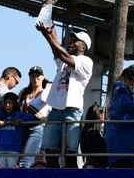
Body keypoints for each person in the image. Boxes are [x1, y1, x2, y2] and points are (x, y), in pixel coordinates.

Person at [36, 22, 93, 168]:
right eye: (71, 40)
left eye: (75, 41)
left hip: (72, 111)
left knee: (70, 154)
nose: (71, 42)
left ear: (83, 47)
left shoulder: (85, 61)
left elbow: (61, 53)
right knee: (50, 152)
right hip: (56, 109)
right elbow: (58, 49)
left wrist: (47, 35)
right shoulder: (64, 59)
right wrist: (50, 23)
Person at [0, 92, 35, 168]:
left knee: (11, 171)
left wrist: (21, 120)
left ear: (15, 104)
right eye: (6, 103)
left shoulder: (19, 114)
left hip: (13, 150)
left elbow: (32, 117)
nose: (7, 105)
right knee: (3, 171)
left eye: (10, 103)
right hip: (1, 149)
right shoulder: (1, 115)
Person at [18, 66, 52, 168]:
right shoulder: (24, 93)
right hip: (23, 127)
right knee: (19, 159)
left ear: (43, 77)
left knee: (25, 161)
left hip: (38, 127)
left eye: (38, 76)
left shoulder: (47, 92)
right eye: (32, 76)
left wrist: (49, 86)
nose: (35, 78)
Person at [0, 67, 22, 162]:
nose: (15, 86)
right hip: (2, 135)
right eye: (16, 82)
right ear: (9, 76)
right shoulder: (6, 93)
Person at [80, 102, 108, 168]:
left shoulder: (86, 132)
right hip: (97, 165)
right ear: (99, 115)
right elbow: (103, 147)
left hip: (91, 164)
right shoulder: (93, 133)